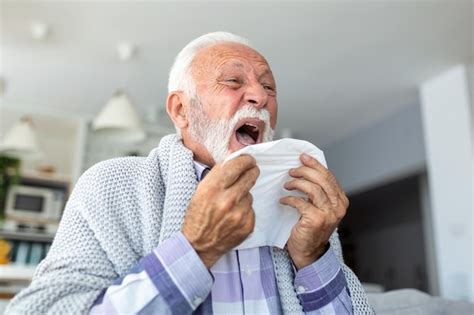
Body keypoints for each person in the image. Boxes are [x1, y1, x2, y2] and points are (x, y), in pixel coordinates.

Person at [6, 32, 374, 315]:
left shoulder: (297, 198)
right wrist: (196, 249)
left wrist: (314, 256)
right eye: (233, 81)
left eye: (269, 87)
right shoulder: (110, 186)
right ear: (181, 110)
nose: (259, 97)